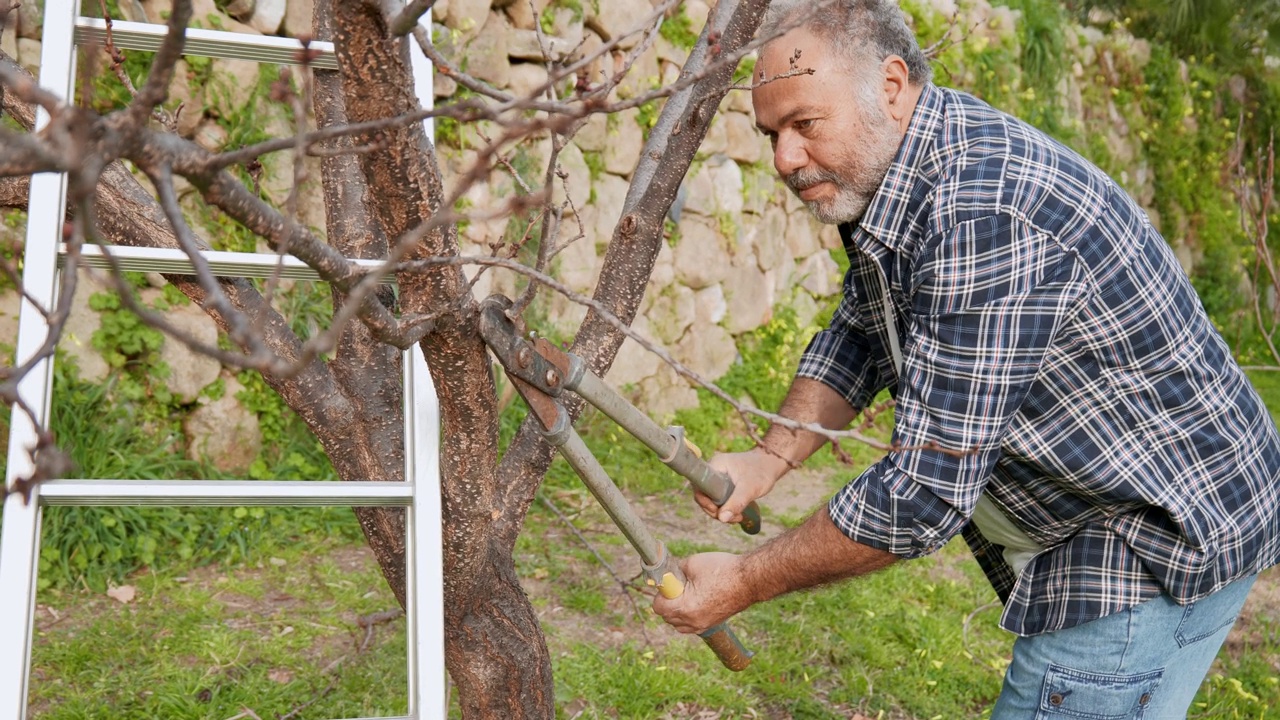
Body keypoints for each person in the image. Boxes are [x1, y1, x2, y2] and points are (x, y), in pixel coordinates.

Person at [651, 1, 1280, 716]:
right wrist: (771, 458)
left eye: (804, 124)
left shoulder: (985, 216)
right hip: (1125, 502)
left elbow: (923, 493)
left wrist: (742, 582)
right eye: (771, 134)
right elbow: (865, 324)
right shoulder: (902, 165)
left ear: (889, 84)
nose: (784, 160)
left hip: (1155, 537)